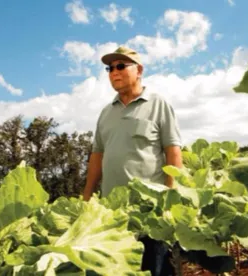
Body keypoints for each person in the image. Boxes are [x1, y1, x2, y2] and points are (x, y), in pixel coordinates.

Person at [82, 45, 183, 276]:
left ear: (139, 70)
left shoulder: (158, 104)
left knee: (155, 271)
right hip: (113, 215)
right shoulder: (106, 113)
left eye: (120, 66)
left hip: (151, 215)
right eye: (109, 68)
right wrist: (86, 197)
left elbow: (173, 152)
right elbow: (97, 156)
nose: (114, 72)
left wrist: (170, 200)